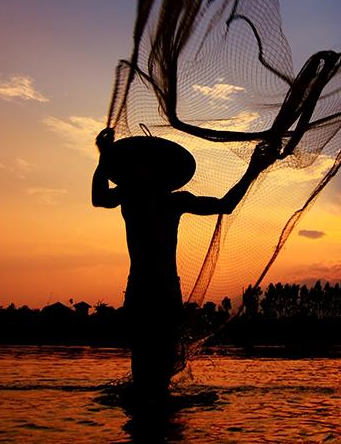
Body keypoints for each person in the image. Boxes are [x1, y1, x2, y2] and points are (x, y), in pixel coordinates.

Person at [92, 127, 276, 397]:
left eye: (150, 166)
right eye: (140, 165)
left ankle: (153, 404)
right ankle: (148, 409)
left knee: (161, 356)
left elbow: (224, 205)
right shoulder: (129, 195)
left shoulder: (172, 201)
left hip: (164, 288)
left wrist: (253, 170)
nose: (144, 170)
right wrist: (103, 159)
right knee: (143, 353)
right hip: (144, 287)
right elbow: (98, 198)